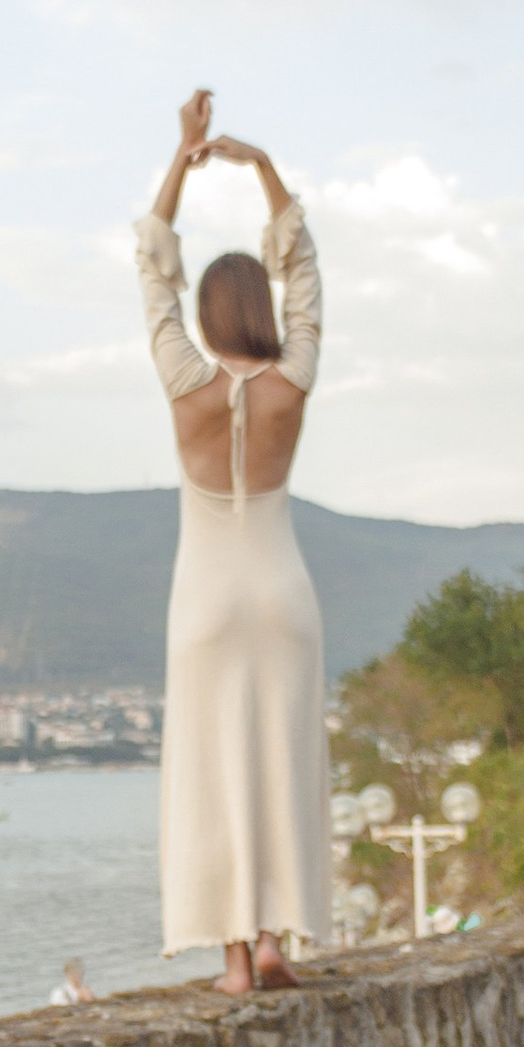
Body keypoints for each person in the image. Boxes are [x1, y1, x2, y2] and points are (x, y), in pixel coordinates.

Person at [134, 86, 331, 993]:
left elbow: (149, 263)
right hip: (284, 592)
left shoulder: (186, 380)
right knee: (283, 757)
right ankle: (282, 937)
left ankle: (235, 960)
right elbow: (306, 271)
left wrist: (184, 155)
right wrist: (260, 169)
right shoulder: (294, 376)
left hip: (206, 601)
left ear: (209, 317)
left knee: (214, 768)